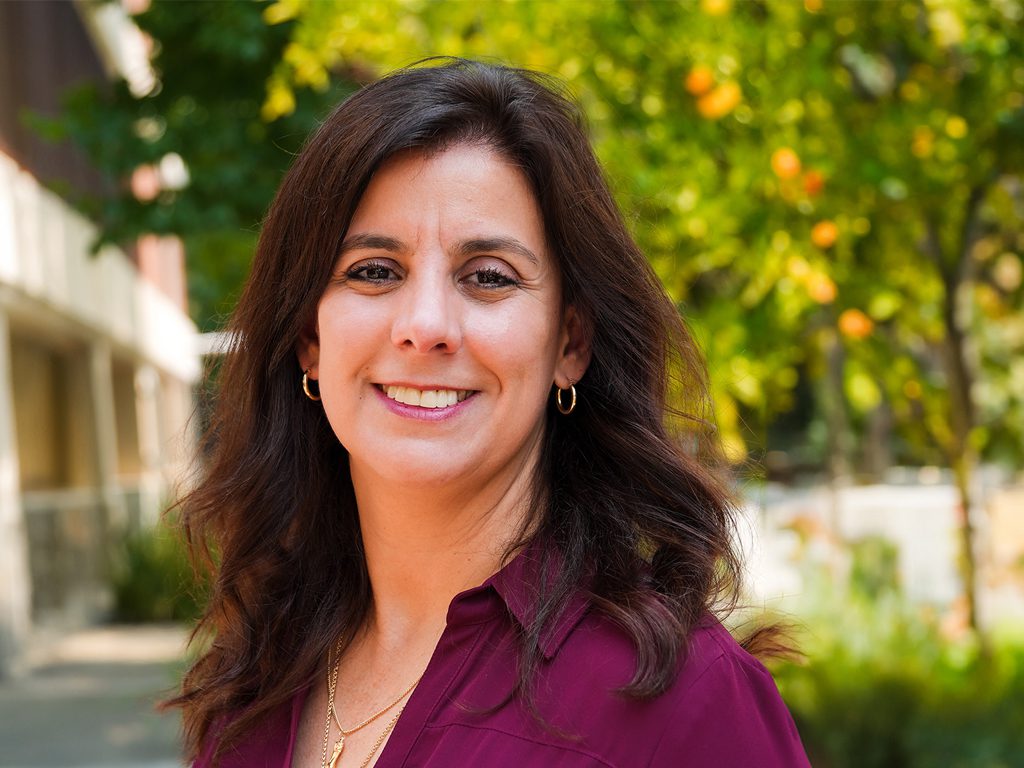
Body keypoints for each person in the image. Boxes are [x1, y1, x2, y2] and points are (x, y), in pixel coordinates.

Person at [171, 59, 811, 768]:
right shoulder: (257, 680)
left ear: (569, 343)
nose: (425, 325)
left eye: (488, 278)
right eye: (374, 271)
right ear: (310, 340)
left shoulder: (679, 696)